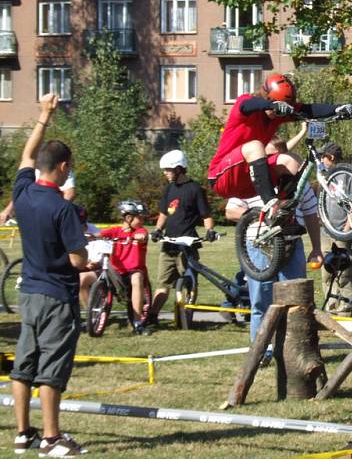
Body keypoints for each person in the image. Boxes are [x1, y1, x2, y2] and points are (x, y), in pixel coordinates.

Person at [10, 93, 89, 457]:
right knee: (51, 367)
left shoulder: (23, 192)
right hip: (58, 295)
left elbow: (26, 155)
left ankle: (23, 433)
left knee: (24, 364)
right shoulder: (63, 208)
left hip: (28, 292)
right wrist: (89, 261)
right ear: (62, 168)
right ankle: (52, 437)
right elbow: (76, 259)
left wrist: (43, 115)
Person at [225, 132, 323, 342]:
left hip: (291, 245)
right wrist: (256, 217)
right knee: (261, 300)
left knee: (296, 299)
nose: (273, 163)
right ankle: (261, 350)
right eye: (268, 158)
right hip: (259, 247)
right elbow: (230, 211)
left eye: (277, 158)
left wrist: (316, 248)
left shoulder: (299, 183)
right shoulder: (249, 182)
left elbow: (311, 214)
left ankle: (293, 349)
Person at [207, 72, 352, 209]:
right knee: (255, 146)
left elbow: (308, 109)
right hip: (222, 177)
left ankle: (284, 211)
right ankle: (271, 203)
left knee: (291, 160)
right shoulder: (246, 104)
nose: (276, 113)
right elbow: (249, 105)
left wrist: (338, 109)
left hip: (250, 182)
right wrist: (272, 105)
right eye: (274, 107)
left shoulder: (277, 116)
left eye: (279, 109)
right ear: (265, 97)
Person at [148, 150, 218, 327]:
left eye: (168, 170)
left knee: (189, 282)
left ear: (179, 169)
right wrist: (157, 229)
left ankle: (186, 316)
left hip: (187, 244)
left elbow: (206, 214)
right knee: (162, 283)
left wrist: (210, 230)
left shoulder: (195, 189)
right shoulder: (170, 188)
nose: (165, 173)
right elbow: (164, 212)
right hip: (169, 244)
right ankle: (152, 316)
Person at [318, 142, 352, 317]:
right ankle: (331, 306)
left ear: (330, 157)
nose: (320, 160)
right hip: (326, 231)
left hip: (343, 231)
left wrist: (346, 231)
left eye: (322, 157)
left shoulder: (347, 176)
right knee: (327, 271)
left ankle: (346, 308)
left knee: (344, 273)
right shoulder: (324, 176)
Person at [95, 200, 151, 335]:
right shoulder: (115, 231)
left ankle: (137, 322)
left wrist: (140, 237)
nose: (142, 220)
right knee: (98, 271)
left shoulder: (140, 231)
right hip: (117, 271)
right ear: (128, 218)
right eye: (140, 217)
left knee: (137, 278)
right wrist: (89, 236)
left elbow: (143, 236)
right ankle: (96, 312)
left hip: (134, 271)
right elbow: (99, 235)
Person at [0, 168, 76, 225]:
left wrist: (56, 214)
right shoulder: (32, 170)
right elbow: (21, 192)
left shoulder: (61, 169)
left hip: (52, 217)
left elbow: (69, 193)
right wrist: (8, 211)